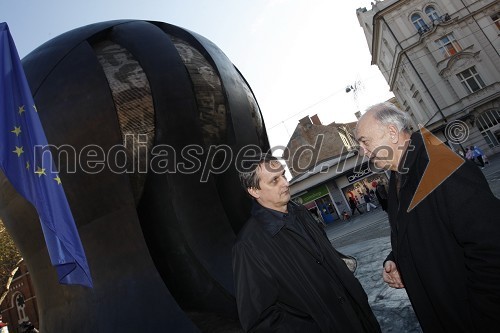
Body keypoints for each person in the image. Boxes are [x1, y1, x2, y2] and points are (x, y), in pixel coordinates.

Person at [355, 102, 500, 332]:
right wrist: (395, 260)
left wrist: (483, 319)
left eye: (365, 141)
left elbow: (491, 249)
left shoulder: (442, 167)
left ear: (392, 133)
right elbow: (421, 229)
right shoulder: (397, 177)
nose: (363, 151)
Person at [233, 154, 381, 332]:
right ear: (254, 191)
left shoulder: (301, 212)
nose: (285, 183)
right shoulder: (248, 246)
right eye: (274, 181)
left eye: (283, 175)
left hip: (359, 319)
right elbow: (261, 321)